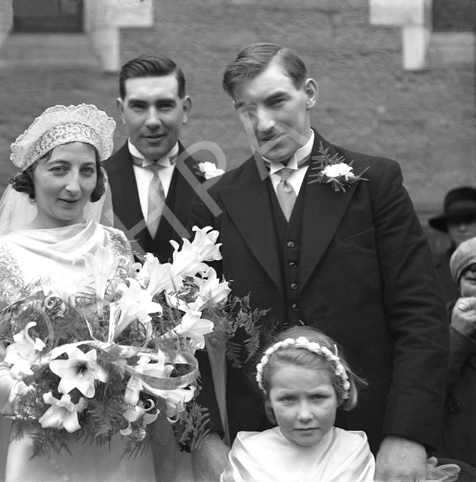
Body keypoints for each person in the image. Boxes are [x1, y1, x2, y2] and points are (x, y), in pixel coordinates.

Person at [189, 43, 448, 481]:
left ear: (308, 93)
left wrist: (407, 435)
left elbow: (420, 315)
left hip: (372, 440)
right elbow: (189, 337)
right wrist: (204, 439)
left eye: (276, 101)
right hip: (253, 450)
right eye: (246, 109)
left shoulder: (375, 184)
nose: (263, 123)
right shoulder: (214, 203)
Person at [0, 104, 157, 481]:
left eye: (87, 171)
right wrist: (39, 395)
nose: (75, 186)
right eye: (59, 169)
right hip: (40, 440)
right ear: (31, 176)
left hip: (115, 440)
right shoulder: (1, 255)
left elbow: (140, 334)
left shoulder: (116, 245)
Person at [221, 326, 374, 482]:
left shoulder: (352, 451)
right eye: (288, 399)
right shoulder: (250, 454)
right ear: (269, 401)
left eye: (317, 397)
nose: (305, 415)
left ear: (339, 395)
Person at [104, 54, 209, 263]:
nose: (152, 121)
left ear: (185, 109)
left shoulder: (213, 186)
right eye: (139, 107)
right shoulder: (96, 184)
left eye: (164, 106)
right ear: (121, 111)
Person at [437, 236, 476, 467]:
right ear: (458, 283)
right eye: (474, 279)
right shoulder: (435, 324)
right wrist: (458, 336)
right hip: (457, 460)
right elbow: (425, 390)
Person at [429, 187, 476, 305]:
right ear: (447, 226)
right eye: (455, 221)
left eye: (469, 220)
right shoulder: (430, 271)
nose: (462, 228)